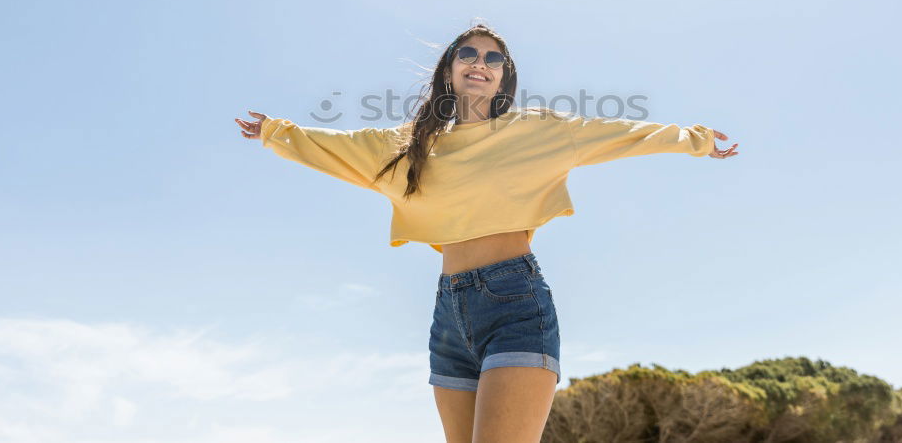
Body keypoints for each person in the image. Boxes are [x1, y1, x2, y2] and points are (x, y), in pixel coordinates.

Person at [235, 22, 738, 443]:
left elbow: (625, 135)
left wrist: (696, 141)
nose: (480, 61)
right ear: (450, 69)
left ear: (503, 76)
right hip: (448, 315)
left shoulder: (540, 130)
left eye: (493, 58)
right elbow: (334, 146)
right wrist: (274, 133)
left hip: (514, 302)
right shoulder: (406, 147)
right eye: (468, 53)